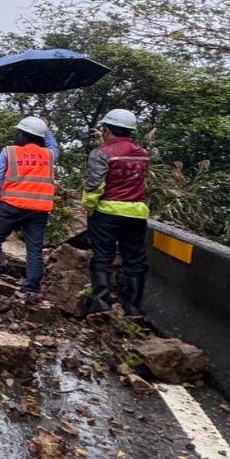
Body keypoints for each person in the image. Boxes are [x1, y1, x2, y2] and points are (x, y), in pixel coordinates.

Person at [0, 116, 59, 304]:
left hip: (11, 205)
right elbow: (54, 146)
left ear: (22, 135)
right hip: (39, 209)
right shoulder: (49, 155)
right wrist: (48, 129)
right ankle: (33, 291)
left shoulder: (9, 152)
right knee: (35, 250)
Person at [84, 108, 150, 318]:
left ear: (106, 129)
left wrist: (89, 207)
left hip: (107, 212)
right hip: (136, 214)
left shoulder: (100, 154)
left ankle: (101, 303)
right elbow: (122, 161)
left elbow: (95, 185)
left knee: (103, 257)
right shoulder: (142, 154)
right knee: (135, 260)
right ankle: (133, 308)